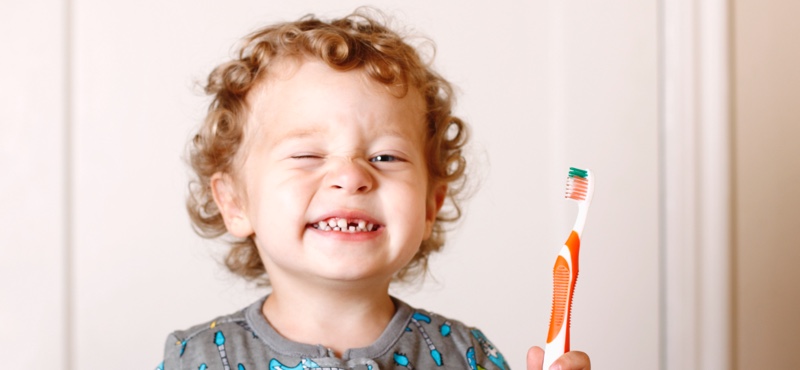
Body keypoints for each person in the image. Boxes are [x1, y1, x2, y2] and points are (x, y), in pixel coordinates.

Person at [160, 8, 590, 370]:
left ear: (429, 205)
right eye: (307, 155)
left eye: (386, 157)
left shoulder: (467, 356)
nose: (352, 176)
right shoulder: (195, 358)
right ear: (234, 202)